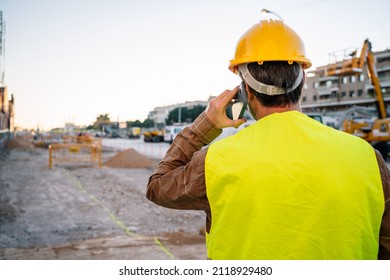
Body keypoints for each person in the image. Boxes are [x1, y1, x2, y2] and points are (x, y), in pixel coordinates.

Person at [146, 18, 390, 260]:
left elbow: (158, 186)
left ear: (246, 90)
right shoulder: (367, 157)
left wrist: (205, 125)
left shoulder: (216, 160)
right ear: (303, 79)